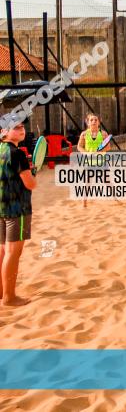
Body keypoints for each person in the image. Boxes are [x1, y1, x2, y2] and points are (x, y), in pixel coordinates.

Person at [0, 115, 38, 307]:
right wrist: (32, 173)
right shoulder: (17, 154)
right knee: (13, 252)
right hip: (18, 209)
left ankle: (1, 291)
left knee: (3, 250)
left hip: (2, 207)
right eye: (15, 127)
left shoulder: (0, 150)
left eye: (21, 126)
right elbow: (30, 184)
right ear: (4, 132)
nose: (21, 129)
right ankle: (9, 297)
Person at [77, 113, 110, 208]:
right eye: (91, 120)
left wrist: (100, 151)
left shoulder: (103, 134)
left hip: (101, 162)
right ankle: (84, 202)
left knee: (107, 181)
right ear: (88, 123)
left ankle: (115, 198)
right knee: (87, 182)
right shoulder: (84, 134)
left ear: (99, 122)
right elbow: (79, 147)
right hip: (89, 162)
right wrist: (87, 153)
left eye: (96, 120)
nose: (94, 121)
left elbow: (108, 147)